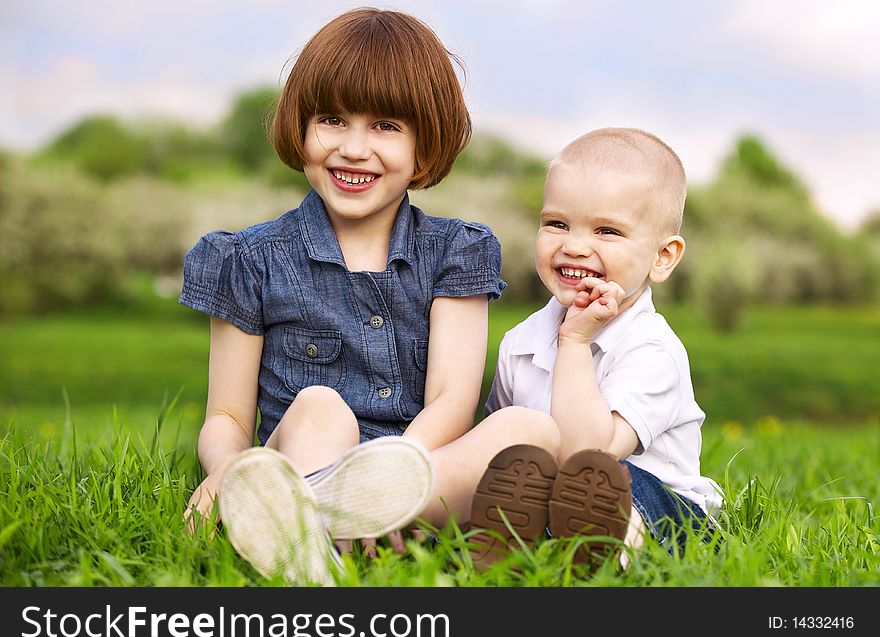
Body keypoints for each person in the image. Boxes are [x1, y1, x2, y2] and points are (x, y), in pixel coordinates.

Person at [180, 8, 559, 586]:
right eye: (332, 120)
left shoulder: (456, 250)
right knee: (320, 407)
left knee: (533, 431)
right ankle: (304, 538)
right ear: (300, 129)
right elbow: (227, 414)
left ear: (423, 144)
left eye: (386, 126)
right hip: (304, 456)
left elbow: (452, 403)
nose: (354, 148)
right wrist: (227, 474)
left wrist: (391, 484)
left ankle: (340, 523)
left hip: (420, 474)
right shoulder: (248, 259)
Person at [470, 127, 722, 570]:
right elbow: (501, 444)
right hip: (556, 492)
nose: (573, 245)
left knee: (605, 484)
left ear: (662, 257)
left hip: (660, 504)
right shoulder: (520, 343)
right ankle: (515, 542)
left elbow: (588, 453)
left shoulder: (652, 350)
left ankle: (597, 551)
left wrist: (575, 340)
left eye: (607, 231)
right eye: (556, 224)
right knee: (525, 473)